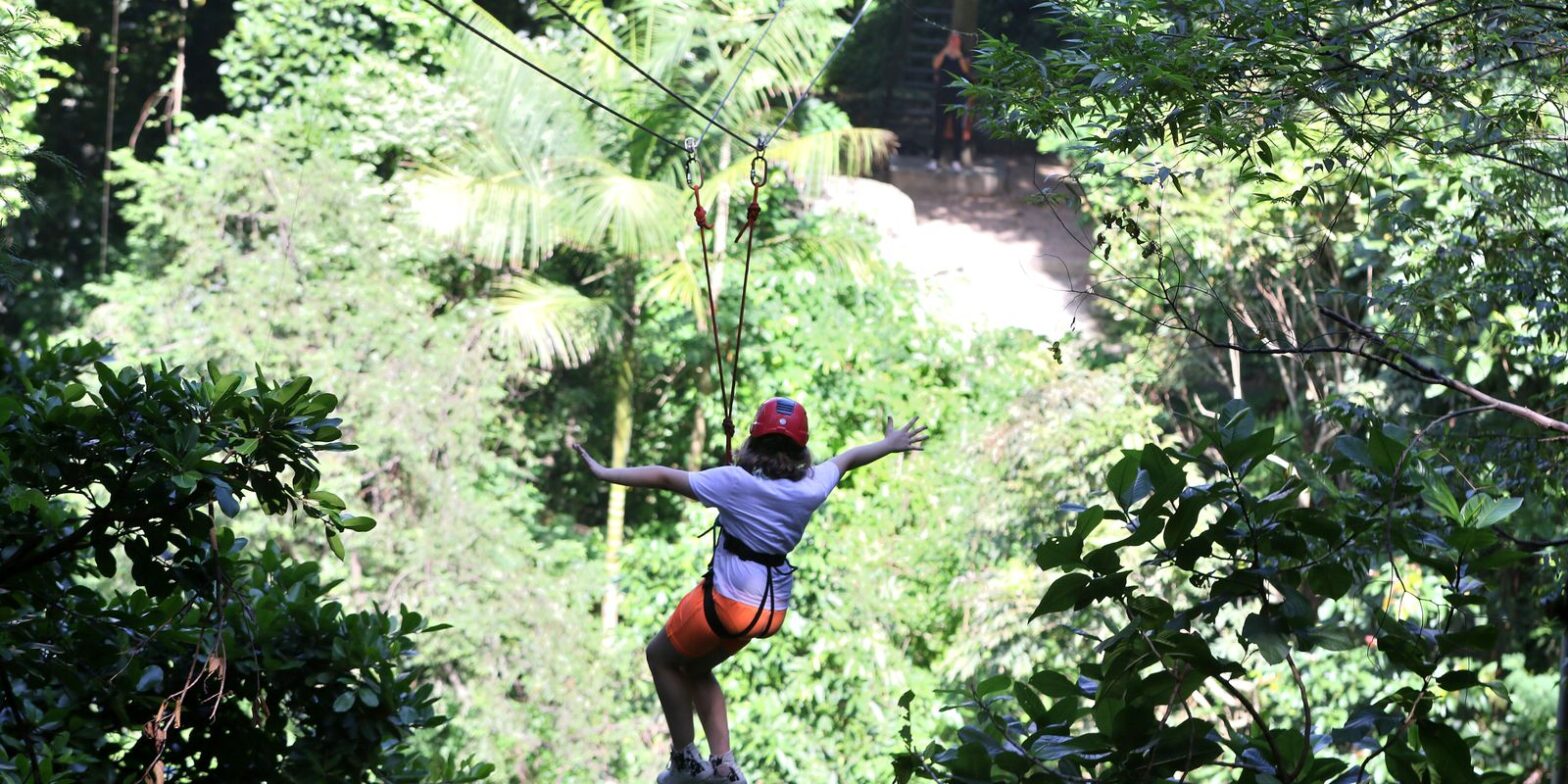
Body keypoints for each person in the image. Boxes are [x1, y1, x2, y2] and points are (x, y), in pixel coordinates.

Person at [571, 398, 929, 784]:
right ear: (802, 449)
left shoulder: (735, 483)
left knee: (659, 657)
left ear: (754, 441)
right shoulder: (812, 486)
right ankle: (724, 766)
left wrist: (605, 472)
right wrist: (888, 444)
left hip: (727, 603)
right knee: (695, 667)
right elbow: (848, 458)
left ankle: (685, 763)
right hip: (769, 610)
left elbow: (664, 478)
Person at [927, 31, 972, 172]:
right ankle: (935, 159)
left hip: (958, 96)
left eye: (956, 39)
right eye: (952, 39)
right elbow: (935, 65)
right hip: (942, 95)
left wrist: (959, 56)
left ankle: (956, 160)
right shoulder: (943, 53)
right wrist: (945, 51)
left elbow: (966, 70)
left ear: (960, 41)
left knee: (958, 127)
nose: (954, 41)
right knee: (939, 127)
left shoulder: (964, 55)